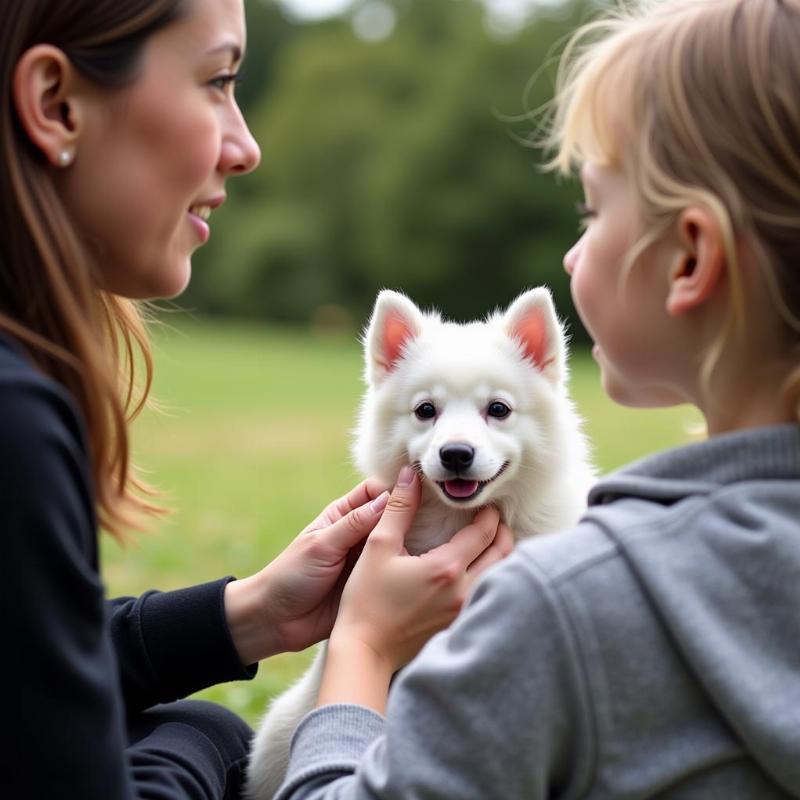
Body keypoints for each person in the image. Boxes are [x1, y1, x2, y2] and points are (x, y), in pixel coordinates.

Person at [271, 0, 800, 798]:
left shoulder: (563, 603)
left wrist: (363, 646)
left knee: (183, 745)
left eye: (592, 208)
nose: (571, 247)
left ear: (690, 256)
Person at [1, 1, 511, 797]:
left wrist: (251, 615)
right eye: (217, 80)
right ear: (56, 106)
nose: (247, 146)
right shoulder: (16, 421)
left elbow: (20, 674)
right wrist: (347, 657)